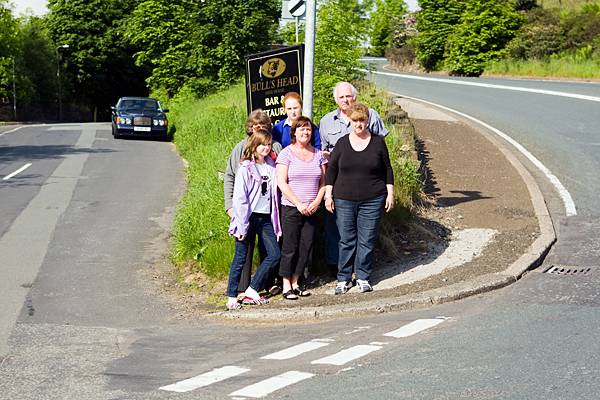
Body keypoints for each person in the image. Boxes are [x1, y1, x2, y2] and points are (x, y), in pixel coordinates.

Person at [319, 81, 389, 276]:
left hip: (367, 182)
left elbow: (381, 146)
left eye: (348, 96)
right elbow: (323, 150)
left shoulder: (370, 115)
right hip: (338, 182)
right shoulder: (326, 121)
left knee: (365, 230)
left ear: (354, 97)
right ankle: (337, 268)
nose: (345, 100)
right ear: (335, 99)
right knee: (337, 228)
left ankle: (361, 270)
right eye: (341, 97)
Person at [224, 109, 283, 295]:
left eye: (263, 126)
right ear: (250, 128)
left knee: (271, 251)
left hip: (268, 212)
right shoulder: (240, 150)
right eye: (255, 126)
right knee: (244, 253)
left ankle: (261, 285)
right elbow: (231, 178)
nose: (259, 129)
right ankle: (238, 290)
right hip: (246, 212)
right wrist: (229, 206)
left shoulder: (275, 149)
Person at [276, 116, 327, 300]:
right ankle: (286, 284)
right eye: (301, 129)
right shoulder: (286, 154)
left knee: (307, 245)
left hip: (312, 209)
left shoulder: (318, 155)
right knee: (290, 246)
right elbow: (281, 182)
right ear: (294, 133)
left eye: (308, 129)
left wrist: (316, 202)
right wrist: (298, 203)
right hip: (291, 207)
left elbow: (323, 182)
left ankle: (297, 281)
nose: (305, 132)